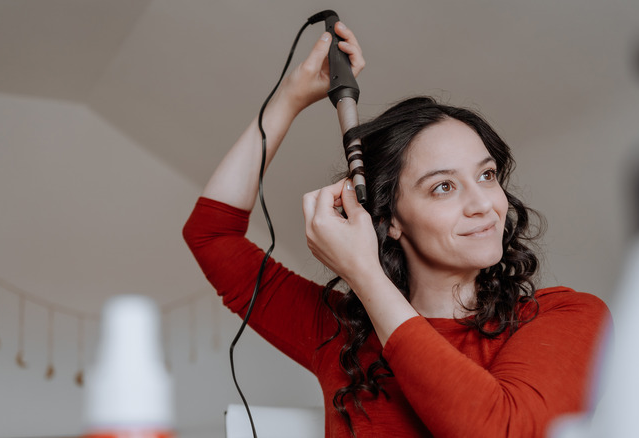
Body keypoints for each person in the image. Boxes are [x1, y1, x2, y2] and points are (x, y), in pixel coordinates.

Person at [183, 21, 610, 438]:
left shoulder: (566, 316)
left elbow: (501, 429)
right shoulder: (341, 336)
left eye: (487, 175)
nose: (483, 205)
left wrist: (366, 276)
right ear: (391, 222)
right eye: (444, 187)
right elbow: (211, 234)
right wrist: (291, 97)